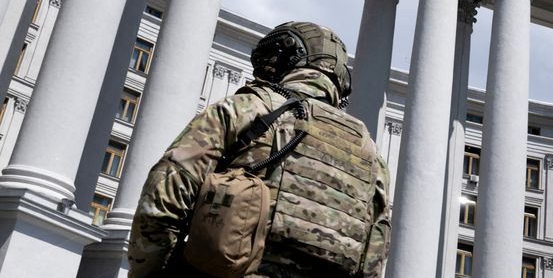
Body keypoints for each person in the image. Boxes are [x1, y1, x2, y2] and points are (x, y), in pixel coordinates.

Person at [128, 21, 391, 277]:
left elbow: (164, 197)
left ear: (287, 57)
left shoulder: (244, 108)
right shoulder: (370, 154)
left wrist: (150, 270)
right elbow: (374, 257)